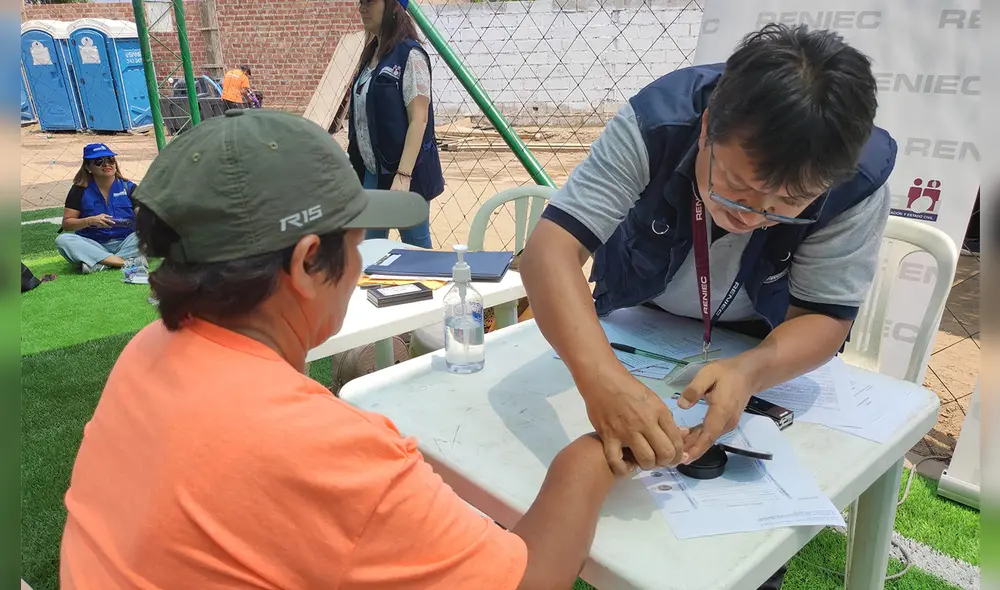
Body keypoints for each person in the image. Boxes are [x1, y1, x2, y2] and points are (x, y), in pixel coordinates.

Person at [60, 109, 637, 589]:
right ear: (309, 261)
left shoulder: (147, 350)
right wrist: (587, 458)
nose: (360, 265)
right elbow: (526, 580)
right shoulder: (327, 451)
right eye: (360, 245)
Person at [519, 24, 893, 589]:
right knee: (539, 476)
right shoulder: (656, 122)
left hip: (753, 340)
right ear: (706, 128)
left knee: (737, 545)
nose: (754, 215)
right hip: (634, 321)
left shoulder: (856, 177)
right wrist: (604, 382)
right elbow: (549, 252)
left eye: (790, 204)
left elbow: (827, 315)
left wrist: (752, 370)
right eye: (736, 187)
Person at [348, 0, 443, 248]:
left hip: (405, 174)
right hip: (372, 170)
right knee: (369, 250)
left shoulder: (410, 55)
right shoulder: (371, 55)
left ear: (393, 6)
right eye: (360, 2)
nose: (362, 8)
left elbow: (419, 119)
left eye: (370, 1)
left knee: (416, 252)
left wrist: (403, 176)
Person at [55, 143, 143, 274]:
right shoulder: (79, 190)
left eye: (110, 159)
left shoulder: (128, 187)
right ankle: (125, 262)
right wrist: (90, 221)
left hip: (127, 241)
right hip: (94, 244)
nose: (107, 164)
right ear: (88, 167)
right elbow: (67, 224)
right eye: (99, 161)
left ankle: (99, 263)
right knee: (62, 240)